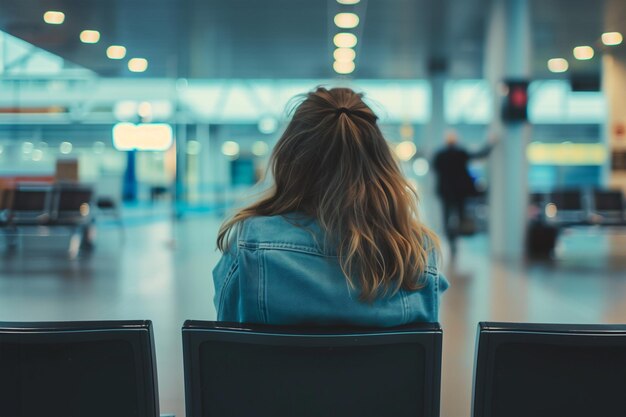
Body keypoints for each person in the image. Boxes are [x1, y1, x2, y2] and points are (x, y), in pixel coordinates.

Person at [213, 87, 448, 327]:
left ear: (290, 161)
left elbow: (230, 350)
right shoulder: (414, 253)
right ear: (380, 165)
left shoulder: (248, 247)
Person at [432, 130, 495, 255]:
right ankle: (455, 238)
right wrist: (491, 144)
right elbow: (479, 155)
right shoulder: (460, 153)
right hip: (459, 192)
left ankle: (452, 241)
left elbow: (435, 169)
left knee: (447, 218)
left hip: (445, 193)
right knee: (460, 217)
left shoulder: (440, 155)